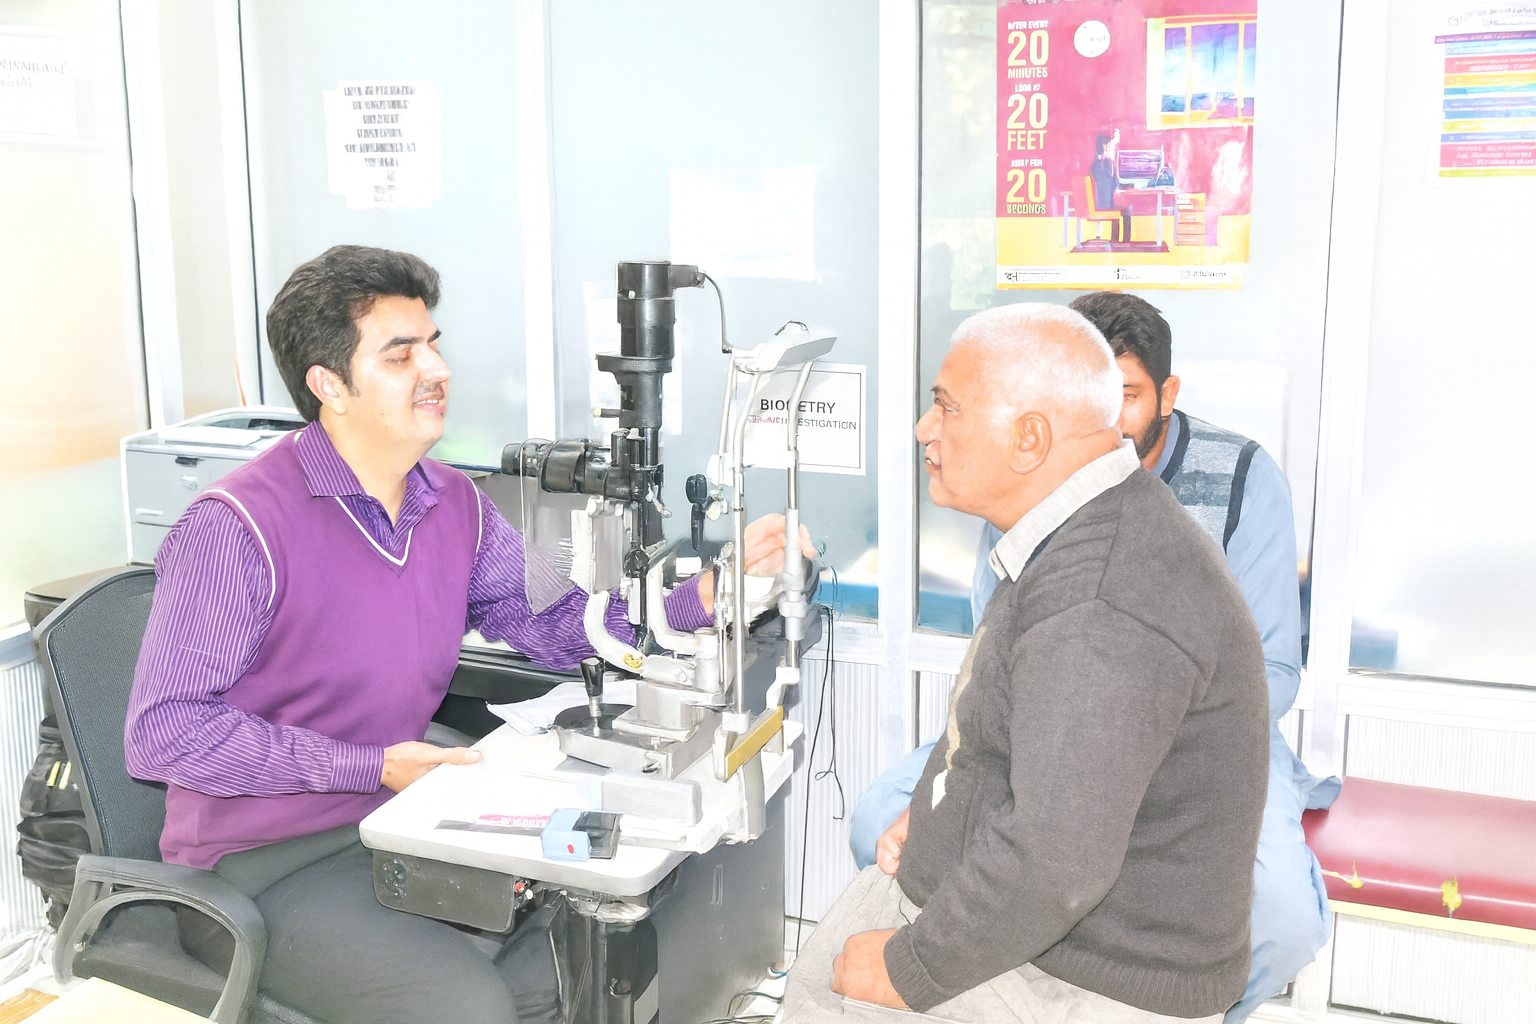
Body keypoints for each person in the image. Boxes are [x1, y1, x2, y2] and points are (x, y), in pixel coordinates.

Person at [124, 245, 809, 1024]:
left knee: (597, 936)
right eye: (401, 354)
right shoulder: (237, 527)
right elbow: (163, 734)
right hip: (262, 865)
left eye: (433, 344)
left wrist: (704, 596)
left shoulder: (453, 503)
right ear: (329, 385)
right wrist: (372, 766)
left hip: (399, 823)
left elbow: (559, 624)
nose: (437, 369)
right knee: (469, 1006)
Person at [848, 292, 1339, 1022]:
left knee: (1282, 917)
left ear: (1168, 394)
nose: (1107, 418)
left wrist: (1114, 749)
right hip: (1044, 718)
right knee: (881, 821)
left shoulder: (1239, 479)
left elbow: (1274, 671)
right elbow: (1000, 666)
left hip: (1200, 744)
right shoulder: (1031, 484)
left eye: (1126, 396)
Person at [1090, 129, 1132, 244]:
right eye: (1110, 147)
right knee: (1126, 210)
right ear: (1104, 147)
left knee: (1121, 209)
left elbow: (1110, 183)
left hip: (1102, 202)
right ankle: (1123, 242)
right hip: (1103, 204)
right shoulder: (1103, 165)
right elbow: (1110, 184)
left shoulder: (1098, 164)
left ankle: (1116, 241)